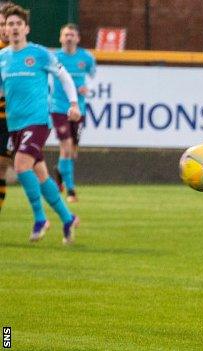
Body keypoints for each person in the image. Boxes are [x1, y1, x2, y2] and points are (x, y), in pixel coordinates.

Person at [0, 4, 80, 243]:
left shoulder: (39, 54)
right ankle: (67, 218)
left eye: (18, 24)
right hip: (15, 124)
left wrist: (73, 103)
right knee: (41, 174)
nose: (13, 28)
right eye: (9, 24)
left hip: (37, 121)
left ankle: (40, 218)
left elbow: (64, 76)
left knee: (21, 165)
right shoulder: (2, 58)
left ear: (27, 29)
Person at [50, 23, 96, 203]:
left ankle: (59, 174)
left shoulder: (86, 57)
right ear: (60, 38)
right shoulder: (54, 58)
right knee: (66, 147)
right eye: (65, 35)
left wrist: (88, 88)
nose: (69, 38)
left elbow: (94, 77)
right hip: (59, 107)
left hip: (79, 109)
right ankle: (71, 191)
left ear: (78, 38)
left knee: (72, 152)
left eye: (72, 35)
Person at [0, 2, 13, 214]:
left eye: (8, 24)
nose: (4, 28)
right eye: (1, 24)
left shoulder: (24, 51)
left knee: (2, 167)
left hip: (9, 117)